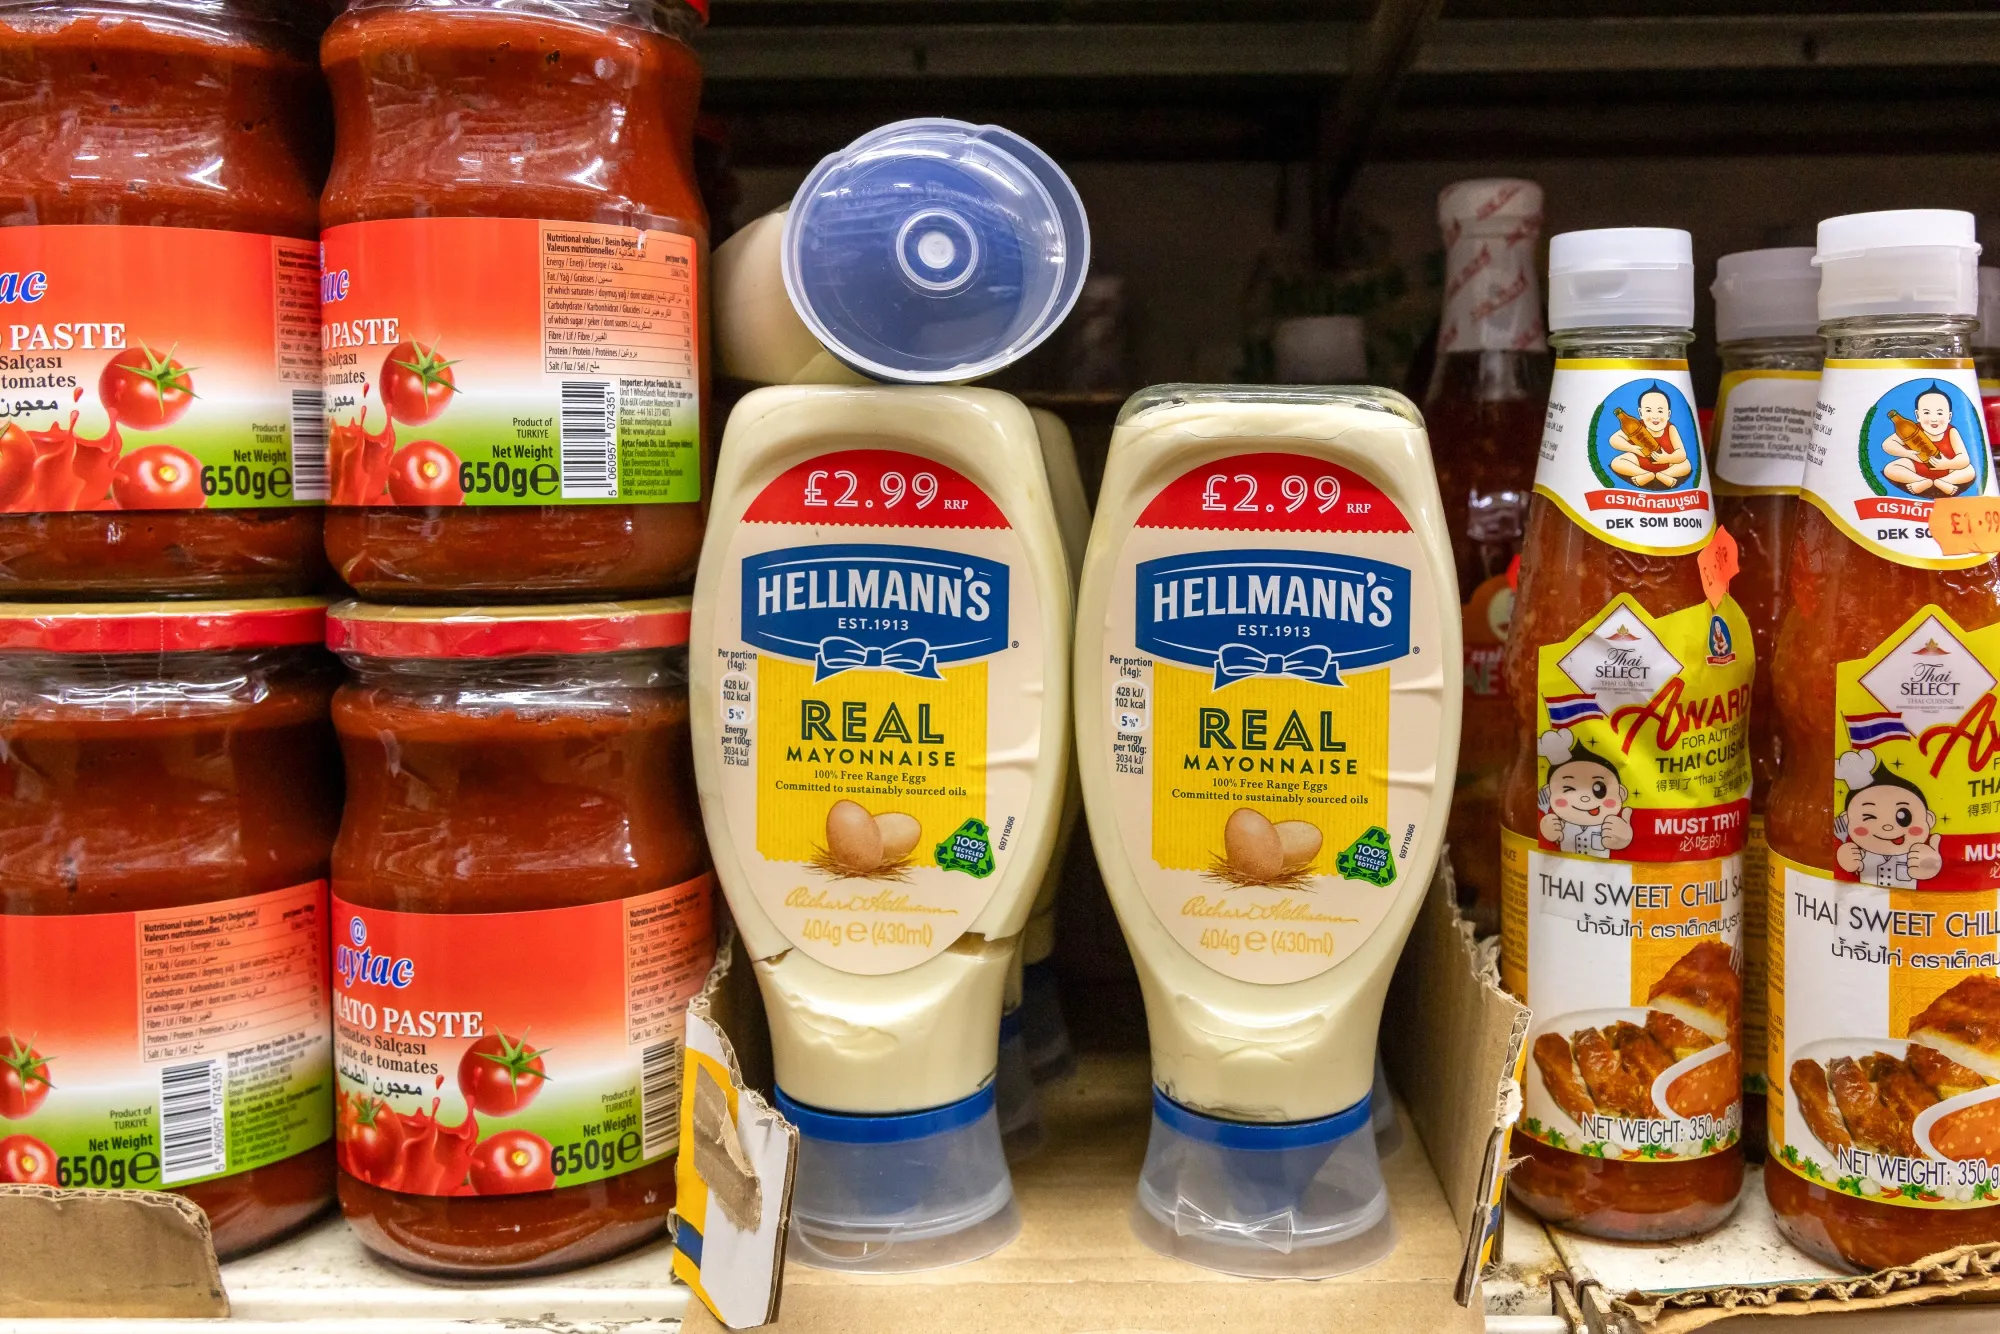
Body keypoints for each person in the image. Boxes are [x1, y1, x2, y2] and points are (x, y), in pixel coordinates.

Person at [1833, 749, 1942, 889]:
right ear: (1847, 820)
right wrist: (1846, 858)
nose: (1887, 826)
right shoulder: (1862, 855)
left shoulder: (1914, 855)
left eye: (1903, 817)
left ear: (1929, 819)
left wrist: (1929, 864)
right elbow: (1850, 872)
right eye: (1869, 817)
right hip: (1861, 898)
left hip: (1911, 901)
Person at [1537, 729, 1635, 858]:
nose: (1584, 798)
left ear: (1621, 793)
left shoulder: (1608, 826)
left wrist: (1624, 837)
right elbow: (1553, 842)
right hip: (1559, 866)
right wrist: (1548, 829)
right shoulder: (1562, 824)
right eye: (1568, 789)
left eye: (1599, 790)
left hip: (1607, 869)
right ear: (1549, 793)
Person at [1882, 385, 1978, 497]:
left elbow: (1964, 458)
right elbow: (1887, 444)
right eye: (1927, 413)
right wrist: (1908, 453)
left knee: (1969, 470)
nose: (1933, 419)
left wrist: (1947, 464)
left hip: (1947, 469)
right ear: (1917, 415)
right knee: (1890, 469)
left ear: (1949, 416)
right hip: (1917, 467)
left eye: (1940, 413)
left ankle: (1944, 481)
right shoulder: (1912, 429)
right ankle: (1920, 481)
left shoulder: (1951, 432)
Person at [1608, 385, 1693, 487]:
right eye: (1648, 410)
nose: (1655, 416)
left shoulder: (1670, 428)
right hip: (1640, 461)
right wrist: (1632, 448)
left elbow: (1681, 454)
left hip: (1667, 462)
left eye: (1660, 411)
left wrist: (1667, 458)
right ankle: (1644, 474)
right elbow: (1614, 440)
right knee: (1616, 462)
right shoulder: (1635, 426)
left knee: (1686, 464)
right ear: (1641, 413)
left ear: (1668, 414)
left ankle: (1663, 475)